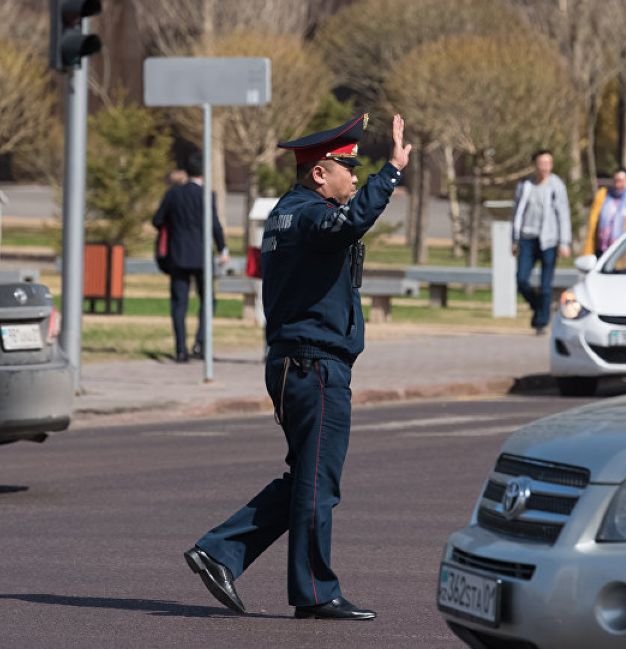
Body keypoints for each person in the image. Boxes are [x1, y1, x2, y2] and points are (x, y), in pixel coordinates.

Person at [183, 113, 412, 621]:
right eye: (347, 169)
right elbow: (352, 221)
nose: (354, 178)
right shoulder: (311, 215)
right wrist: (391, 172)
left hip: (294, 362)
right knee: (317, 485)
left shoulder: (287, 214)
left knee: (306, 479)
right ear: (319, 173)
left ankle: (220, 553)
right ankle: (314, 592)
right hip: (315, 365)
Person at [152, 152, 228, 363]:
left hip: (178, 255)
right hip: (202, 257)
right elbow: (214, 225)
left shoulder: (173, 194)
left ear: (186, 170)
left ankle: (180, 350)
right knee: (208, 301)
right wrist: (223, 248)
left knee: (179, 304)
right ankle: (201, 342)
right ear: (204, 172)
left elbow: (157, 220)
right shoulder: (206, 195)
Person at [511, 150, 572, 335]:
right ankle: (539, 307)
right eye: (541, 163)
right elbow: (516, 213)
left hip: (549, 240)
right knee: (521, 279)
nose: (545, 167)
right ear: (535, 165)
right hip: (527, 238)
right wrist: (513, 239)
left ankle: (540, 322)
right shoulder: (525, 185)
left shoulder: (556, 185)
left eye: (548, 163)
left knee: (546, 286)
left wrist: (564, 242)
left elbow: (563, 213)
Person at [582, 169, 626, 258]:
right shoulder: (602, 196)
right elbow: (593, 222)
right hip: (602, 246)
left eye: (621, 181)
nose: (617, 184)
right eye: (615, 180)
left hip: (624, 248)